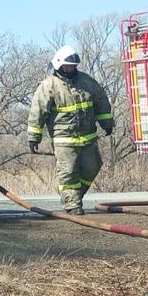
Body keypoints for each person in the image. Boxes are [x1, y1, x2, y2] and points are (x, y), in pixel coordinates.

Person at [27, 45, 115, 215]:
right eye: (68, 65)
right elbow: (37, 111)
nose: (71, 68)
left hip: (88, 136)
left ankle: (71, 196)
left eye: (74, 65)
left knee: (93, 167)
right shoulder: (49, 85)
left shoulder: (87, 81)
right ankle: (72, 204)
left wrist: (107, 123)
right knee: (68, 172)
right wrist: (33, 136)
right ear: (59, 64)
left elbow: (100, 101)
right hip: (64, 139)